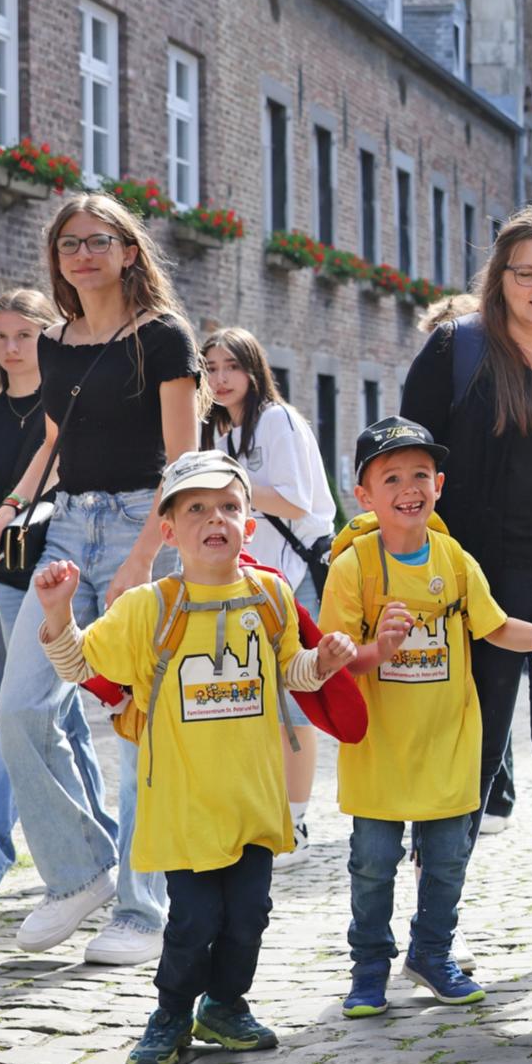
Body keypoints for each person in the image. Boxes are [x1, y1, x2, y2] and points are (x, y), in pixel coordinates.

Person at [32, 451, 356, 1064]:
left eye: (229, 507)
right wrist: (57, 615)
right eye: (198, 508)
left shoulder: (271, 596)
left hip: (253, 802)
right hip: (183, 807)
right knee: (192, 923)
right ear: (170, 530)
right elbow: (80, 668)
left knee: (249, 917)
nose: (216, 518)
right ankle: (172, 1012)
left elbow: (291, 673)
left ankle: (226, 1006)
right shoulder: (147, 606)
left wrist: (326, 662)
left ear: (249, 525)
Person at [0, 193, 201, 965]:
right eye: (69, 243)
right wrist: (9, 510)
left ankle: (143, 910)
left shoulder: (165, 338)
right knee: (20, 707)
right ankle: (80, 871)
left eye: (99, 241)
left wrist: (147, 552)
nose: (83, 254)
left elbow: (185, 465)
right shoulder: (58, 344)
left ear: (129, 251)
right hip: (68, 526)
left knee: (138, 728)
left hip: (148, 525)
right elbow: (51, 444)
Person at [398, 208, 532, 971]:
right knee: (469, 754)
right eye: (526, 271)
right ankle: (433, 924)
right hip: (474, 585)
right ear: (500, 276)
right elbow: (403, 457)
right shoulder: (457, 352)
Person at [323, 418, 532, 1017]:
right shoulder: (354, 567)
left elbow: (493, 624)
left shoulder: (455, 560)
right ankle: (369, 969)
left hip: (448, 744)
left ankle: (431, 953)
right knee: (373, 866)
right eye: (391, 477)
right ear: (365, 496)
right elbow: (334, 659)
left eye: (419, 475)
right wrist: (375, 648)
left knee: (447, 863)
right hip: (380, 751)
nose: (409, 487)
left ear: (439, 483)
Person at [199, 327, 338, 869]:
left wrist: (226, 482)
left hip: (294, 573)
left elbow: (297, 501)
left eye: (230, 366)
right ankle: (264, 810)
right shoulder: (220, 430)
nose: (220, 378)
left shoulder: (276, 420)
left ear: (254, 370)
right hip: (251, 578)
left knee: (292, 697)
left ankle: (296, 819)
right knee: (255, 697)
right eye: (210, 368)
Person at [0, 288, 61, 908]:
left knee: (40, 715)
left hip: (68, 570)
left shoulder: (72, 405)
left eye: (22, 336)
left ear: (45, 337)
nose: (9, 349)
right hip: (7, 573)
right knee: (20, 711)